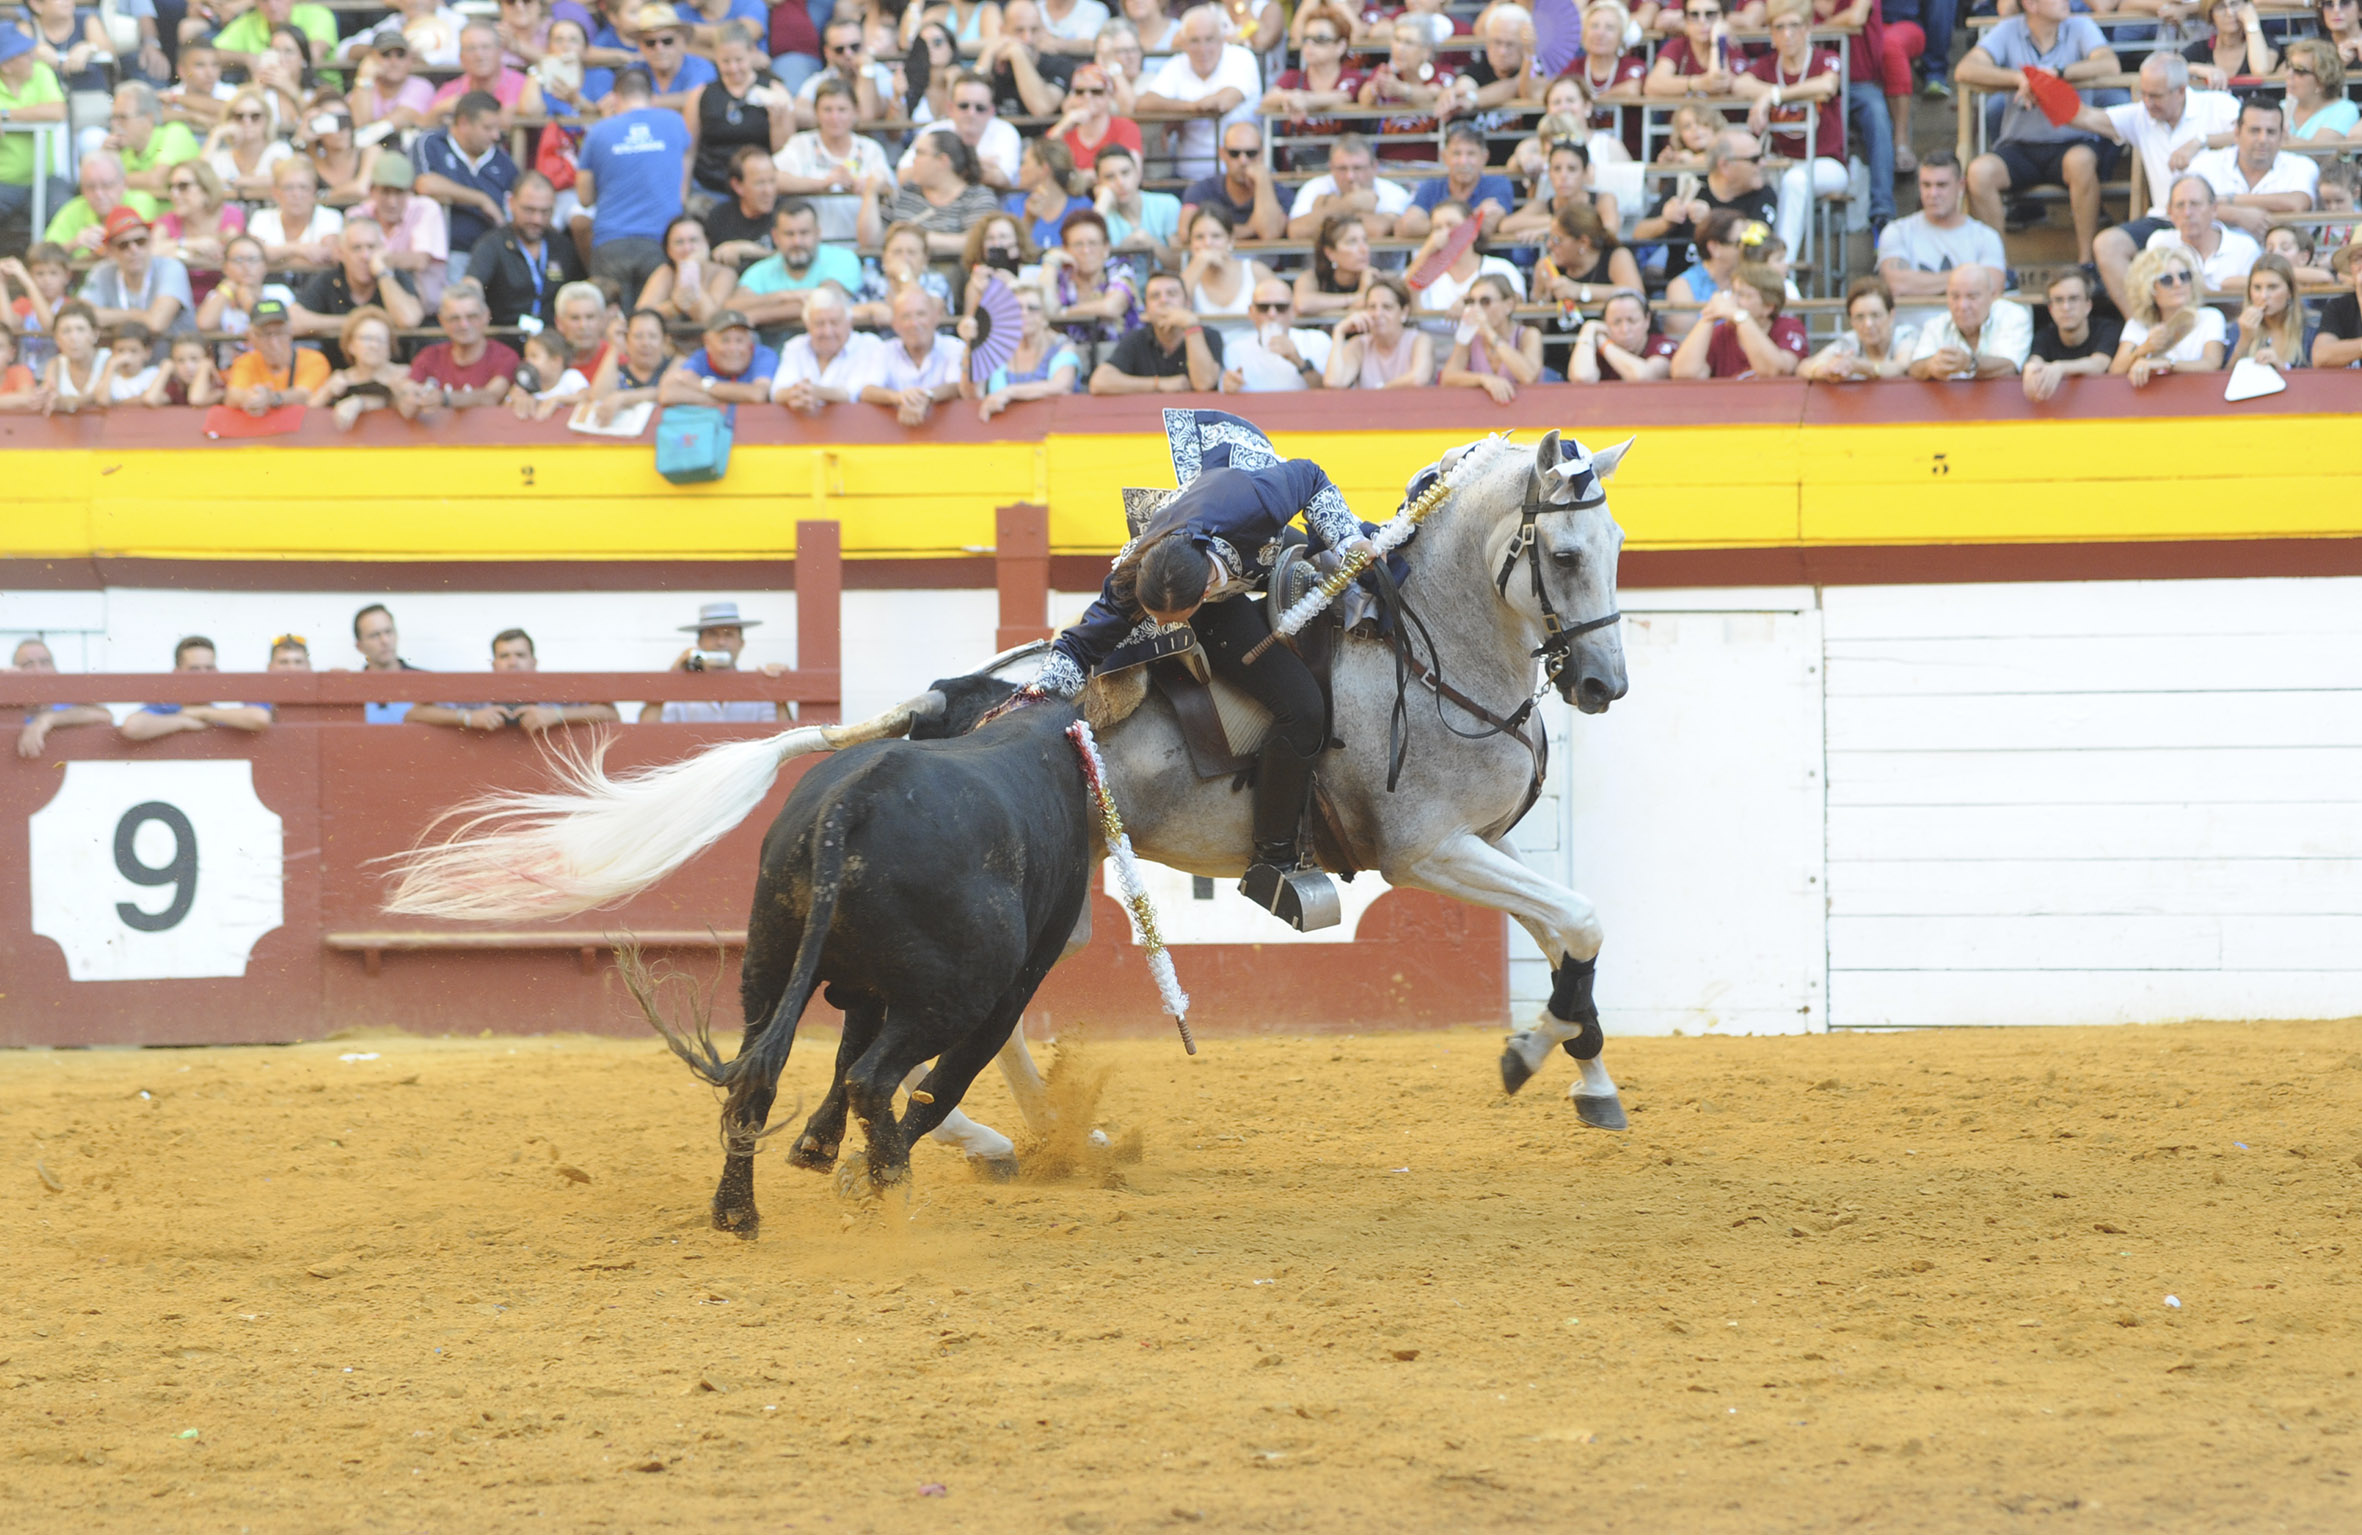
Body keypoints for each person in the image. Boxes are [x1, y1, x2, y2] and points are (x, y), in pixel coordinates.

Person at [1018, 422, 1375, 924]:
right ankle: (1272, 856)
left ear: (1204, 590)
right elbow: (1081, 644)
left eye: (1169, 620)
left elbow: (1311, 475)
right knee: (1302, 709)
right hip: (1218, 593)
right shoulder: (1135, 575)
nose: (1163, 628)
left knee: (1371, 558)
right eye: (1155, 618)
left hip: (1252, 543)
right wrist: (1037, 696)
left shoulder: (1251, 504)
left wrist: (1348, 536)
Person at [2065, 52, 2248, 308]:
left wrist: (2201, 141)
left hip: (2216, 216)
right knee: (2107, 244)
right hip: (2165, 218)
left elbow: (2253, 134)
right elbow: (2085, 118)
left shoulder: (2216, 105)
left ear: (2181, 91)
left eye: (2156, 96)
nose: (2148, 102)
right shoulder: (2141, 115)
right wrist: (2040, 84)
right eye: (2144, 94)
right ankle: (2143, 324)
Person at [1957, 0, 2120, 267]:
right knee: (1979, 172)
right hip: (2019, 145)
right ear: (2031, 4)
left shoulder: (2081, 25)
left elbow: (2109, 64)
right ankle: (1998, 267)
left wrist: (2057, 74)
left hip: (2072, 141)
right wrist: (2019, 78)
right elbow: (1965, 69)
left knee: (2081, 162)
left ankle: (2087, 264)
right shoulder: (2008, 29)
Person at [1735, 0, 1848, 261]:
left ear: (1808, 28)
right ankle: (1748, 264)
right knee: (1747, 175)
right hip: (1780, 162)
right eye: (1779, 27)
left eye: (1794, 26)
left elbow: (1827, 86)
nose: (1787, 34)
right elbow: (1740, 84)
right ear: (1771, 34)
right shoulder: (1767, 65)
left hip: (1826, 163)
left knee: (1795, 181)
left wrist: (1772, 96)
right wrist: (1774, 93)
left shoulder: (1825, 59)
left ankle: (1782, 266)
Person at [575, 68, 690, 300]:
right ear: (653, 98)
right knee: (654, 318)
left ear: (614, 98)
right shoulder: (675, 122)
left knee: (611, 317)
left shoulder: (599, 132)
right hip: (661, 240)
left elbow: (584, 197)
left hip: (612, 240)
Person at [1874, 152, 2006, 332]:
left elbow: (1994, 285)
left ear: (1961, 186)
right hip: (1910, 335)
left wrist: (1919, 284)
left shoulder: (1985, 236)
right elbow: (1896, 284)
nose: (1933, 194)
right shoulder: (1897, 231)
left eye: (1942, 185)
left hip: (1969, 335)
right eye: (1926, 185)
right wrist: (1969, 284)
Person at [1136, 4, 1262, 181]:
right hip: (1189, 177)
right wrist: (1190, 107)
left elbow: (1222, 103)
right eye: (1194, 41)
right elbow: (1145, 103)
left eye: (1209, 39)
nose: (1203, 49)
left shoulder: (1241, 57)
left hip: (1240, 177)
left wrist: (1177, 112)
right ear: (1183, 43)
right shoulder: (1177, 64)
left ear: (1222, 39)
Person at [412, 629, 621, 734]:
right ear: (494, 665)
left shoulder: (554, 691)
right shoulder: (478, 694)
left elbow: (610, 714)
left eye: (520, 655)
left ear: (534, 662)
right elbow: (415, 714)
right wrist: (469, 718)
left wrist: (556, 715)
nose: (513, 663)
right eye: (504, 656)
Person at [1631, 129, 1779, 276]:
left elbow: (1762, 235)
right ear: (1725, 165)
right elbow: (1638, 234)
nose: (1763, 164)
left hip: (1737, 283)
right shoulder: (1686, 185)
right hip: (1683, 284)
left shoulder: (1763, 193)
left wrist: (1712, 219)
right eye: (1755, 159)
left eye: (1763, 157)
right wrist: (1665, 222)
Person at [414, 90, 522, 284]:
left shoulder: (503, 162)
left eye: (497, 128)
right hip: (441, 253)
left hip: (492, 256)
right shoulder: (431, 143)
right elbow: (425, 183)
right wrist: (481, 200)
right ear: (463, 123)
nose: (496, 135)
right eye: (488, 128)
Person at [773, 79, 893, 247]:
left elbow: (890, 187)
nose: (835, 117)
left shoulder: (870, 148)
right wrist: (823, 183)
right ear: (816, 112)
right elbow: (773, 179)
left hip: (860, 249)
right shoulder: (800, 144)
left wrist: (869, 186)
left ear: (855, 112)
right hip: (809, 249)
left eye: (842, 110)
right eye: (827, 110)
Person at [461, 170, 584, 330]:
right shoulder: (492, 243)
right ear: (511, 203)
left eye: (545, 211)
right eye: (529, 210)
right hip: (504, 337)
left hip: (553, 339)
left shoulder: (563, 246)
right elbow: (472, 285)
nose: (537, 219)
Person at [291, 217, 426, 362]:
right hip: (339, 372)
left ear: (382, 250)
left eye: (371, 247)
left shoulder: (394, 277)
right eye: (356, 248)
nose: (365, 256)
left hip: (391, 370)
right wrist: (355, 321)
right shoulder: (329, 279)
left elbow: (409, 319)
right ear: (341, 253)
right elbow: (293, 321)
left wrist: (382, 273)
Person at [2186, 98, 2320, 241]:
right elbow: (2187, 208)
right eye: (2255, 131)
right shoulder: (2204, 163)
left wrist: (2228, 199)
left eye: (2271, 132)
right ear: (2237, 133)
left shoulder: (2302, 165)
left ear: (2282, 135)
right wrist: (2237, 215)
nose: (2263, 139)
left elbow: (2296, 204)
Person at [640, 599, 790, 723]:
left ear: (741, 643)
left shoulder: (758, 688)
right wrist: (672, 675)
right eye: (712, 635)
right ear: (699, 643)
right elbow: (647, 733)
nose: (721, 642)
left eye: (728, 635)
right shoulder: (681, 691)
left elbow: (780, 736)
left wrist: (778, 689)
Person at [730, 198, 863, 328]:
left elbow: (826, 301)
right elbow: (733, 305)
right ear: (775, 237)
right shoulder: (762, 269)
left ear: (818, 233)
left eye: (804, 233)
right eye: (789, 234)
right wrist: (784, 296)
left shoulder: (842, 258)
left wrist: (759, 315)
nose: (797, 242)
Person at [2110, 244, 2226, 387]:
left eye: (2184, 276)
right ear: (2148, 288)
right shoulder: (2137, 324)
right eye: (2167, 279)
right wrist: (2144, 349)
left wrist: (2166, 364)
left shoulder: (2210, 317)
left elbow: (2212, 363)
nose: (2178, 283)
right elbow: (2115, 371)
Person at [118, 636, 272, 743]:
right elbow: (133, 727)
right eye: (194, 669)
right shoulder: (167, 705)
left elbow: (260, 718)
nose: (203, 675)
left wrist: (203, 713)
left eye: (209, 668)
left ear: (217, 670)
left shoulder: (227, 699)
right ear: (177, 673)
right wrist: (183, 721)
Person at [1091, 267, 1220, 391]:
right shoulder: (1137, 339)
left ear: (1188, 303)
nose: (1164, 300)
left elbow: (1204, 384)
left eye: (1172, 294)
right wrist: (1159, 383)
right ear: (1146, 308)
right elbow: (1099, 382)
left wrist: (1191, 326)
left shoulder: (1209, 335)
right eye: (1155, 296)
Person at [1672, 261, 1806, 379]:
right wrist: (1709, 316)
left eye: (1744, 295)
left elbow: (1774, 371)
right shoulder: (1723, 332)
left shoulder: (1789, 327)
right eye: (1733, 293)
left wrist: (1741, 317)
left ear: (1768, 307)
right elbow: (1684, 373)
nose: (1734, 301)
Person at [971, 276, 1082, 415]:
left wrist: (1010, 392)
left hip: (1052, 424)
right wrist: (971, 343)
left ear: (1045, 316)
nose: (1024, 313)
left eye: (1032, 308)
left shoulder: (1061, 346)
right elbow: (974, 394)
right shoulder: (998, 350)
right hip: (1003, 425)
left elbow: (1062, 386)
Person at [1358, 13, 1459, 163]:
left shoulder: (1442, 72)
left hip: (1431, 166)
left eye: (1408, 42)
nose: (1400, 48)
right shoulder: (1386, 71)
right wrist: (1375, 88)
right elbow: (1363, 99)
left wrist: (1401, 90)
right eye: (1397, 40)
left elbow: (1435, 94)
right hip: (1385, 165)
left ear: (1427, 50)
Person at [81, 205, 196, 338]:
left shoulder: (171, 267)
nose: (134, 250)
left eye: (140, 241)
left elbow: (156, 324)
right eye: (124, 245)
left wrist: (110, 317)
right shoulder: (101, 271)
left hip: (172, 350)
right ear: (111, 250)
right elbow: (82, 316)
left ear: (151, 241)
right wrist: (138, 314)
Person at [856, 286, 965, 423]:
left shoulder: (955, 346)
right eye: (906, 316)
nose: (914, 323)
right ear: (895, 324)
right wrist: (898, 397)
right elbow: (867, 391)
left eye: (921, 314)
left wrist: (926, 396)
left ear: (936, 317)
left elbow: (957, 386)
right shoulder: (884, 349)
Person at [406, 280, 520, 410]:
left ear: (486, 316)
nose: (464, 325)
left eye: (472, 316)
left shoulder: (504, 356)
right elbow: (408, 392)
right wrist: (404, 394)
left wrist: (445, 399)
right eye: (454, 318)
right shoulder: (430, 355)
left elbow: (491, 396)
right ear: (442, 321)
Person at [883, 130, 1000, 254]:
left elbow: (975, 241)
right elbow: (875, 239)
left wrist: (916, 237)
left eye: (920, 153)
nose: (914, 160)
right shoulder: (905, 192)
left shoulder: (978, 197)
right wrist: (871, 193)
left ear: (942, 160)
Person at [2144, 173, 2263, 295]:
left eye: (2195, 204)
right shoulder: (2161, 243)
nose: (2187, 213)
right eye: (2180, 205)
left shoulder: (2245, 247)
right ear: (2170, 212)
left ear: (2214, 209)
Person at [902, 71, 1023, 190]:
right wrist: (977, 165)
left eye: (980, 108)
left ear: (991, 111)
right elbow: (903, 176)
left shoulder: (1005, 132)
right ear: (950, 108)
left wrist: (939, 166)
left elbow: (1003, 180)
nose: (971, 113)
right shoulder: (934, 130)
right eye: (963, 106)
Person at [1907, 264, 2031, 380]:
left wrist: (1970, 363)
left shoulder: (2013, 315)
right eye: (1955, 297)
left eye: (1972, 297)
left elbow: (2010, 366)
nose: (1962, 306)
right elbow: (1915, 367)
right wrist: (1930, 365)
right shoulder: (1936, 324)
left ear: (1992, 296)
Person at [1397, 125, 1517, 240]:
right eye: (1456, 153)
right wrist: (1472, 218)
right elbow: (1407, 226)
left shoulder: (1498, 184)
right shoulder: (1432, 186)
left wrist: (1437, 225)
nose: (1463, 161)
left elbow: (1486, 227)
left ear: (1484, 157)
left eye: (1471, 154)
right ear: (1445, 157)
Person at [1438, 272, 1541, 403]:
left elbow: (1528, 376)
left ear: (1509, 305)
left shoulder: (1528, 334)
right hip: (1484, 409)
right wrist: (1484, 379)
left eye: (1485, 301)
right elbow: (1447, 377)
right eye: (1471, 302)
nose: (1476, 308)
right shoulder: (1470, 335)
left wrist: (1489, 332)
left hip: (1527, 407)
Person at [2020, 266, 2119, 401]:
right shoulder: (2044, 335)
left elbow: (2099, 364)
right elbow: (2035, 361)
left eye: (2073, 299)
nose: (2066, 307)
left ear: (2088, 305)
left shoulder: (2107, 328)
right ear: (2050, 309)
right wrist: (2031, 368)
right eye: (2059, 300)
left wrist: (2060, 368)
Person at [770, 281, 873, 409]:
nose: (827, 332)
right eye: (819, 324)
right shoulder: (795, 346)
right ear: (807, 325)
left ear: (849, 323)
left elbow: (853, 393)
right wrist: (798, 393)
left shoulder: (868, 345)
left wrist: (815, 392)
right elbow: (777, 392)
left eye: (834, 323)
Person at [1285, 133, 1407, 240]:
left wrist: (1326, 208)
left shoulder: (1393, 191)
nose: (1350, 177)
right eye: (1342, 168)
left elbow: (1377, 230)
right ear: (1331, 168)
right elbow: (1296, 231)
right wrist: (1350, 203)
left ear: (1374, 167)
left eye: (1357, 168)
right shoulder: (1314, 186)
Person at [1216, 275, 1327, 392]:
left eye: (1281, 307)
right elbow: (1224, 391)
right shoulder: (1235, 349)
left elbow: (1328, 392)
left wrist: (1299, 362)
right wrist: (1229, 388)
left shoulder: (1317, 341)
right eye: (1263, 307)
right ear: (1251, 311)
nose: (1272, 314)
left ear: (1293, 310)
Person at [152, 159, 243, 301]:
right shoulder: (168, 221)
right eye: (170, 187)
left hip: (223, 299)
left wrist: (174, 252)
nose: (174, 193)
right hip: (178, 301)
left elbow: (228, 257)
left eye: (183, 186)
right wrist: (192, 244)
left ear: (206, 188)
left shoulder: (231, 215)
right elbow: (150, 252)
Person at [1501, 137, 1620, 246]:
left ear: (1585, 172)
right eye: (1557, 169)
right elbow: (1506, 226)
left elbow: (1609, 229)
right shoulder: (1543, 205)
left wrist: (1552, 230)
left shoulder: (1603, 200)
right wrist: (1555, 222)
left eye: (1572, 169)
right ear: (1549, 173)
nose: (1563, 176)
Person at [1178, 204, 1270, 345]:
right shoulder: (1188, 276)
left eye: (1216, 236)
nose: (1207, 243)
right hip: (1206, 354)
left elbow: (1283, 309)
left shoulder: (1255, 271)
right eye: (1199, 237)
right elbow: (1174, 308)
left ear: (1230, 240)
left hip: (1253, 351)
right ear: (1191, 243)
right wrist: (1198, 265)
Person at [1177, 119, 1283, 241]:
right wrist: (1248, 229)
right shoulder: (1201, 190)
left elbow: (1270, 233)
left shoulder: (1278, 192)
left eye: (1251, 153)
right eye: (1234, 153)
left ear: (1262, 154)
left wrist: (1263, 182)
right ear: (1222, 154)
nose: (1243, 161)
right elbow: (1186, 232)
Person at [310, 304, 412, 428]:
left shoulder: (404, 375)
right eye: (367, 338)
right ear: (351, 345)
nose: (374, 345)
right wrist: (327, 393)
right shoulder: (342, 378)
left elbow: (408, 406)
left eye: (381, 339)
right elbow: (309, 413)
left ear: (390, 347)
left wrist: (361, 402)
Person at [221, 296, 328, 412]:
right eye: (265, 334)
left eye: (280, 332)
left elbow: (304, 395)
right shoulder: (245, 361)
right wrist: (249, 398)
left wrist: (272, 398)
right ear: (251, 337)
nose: (273, 342)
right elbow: (233, 395)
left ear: (291, 332)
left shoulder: (313, 360)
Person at [1798, 275, 1915, 381]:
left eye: (1875, 315)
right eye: (1860, 317)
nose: (1868, 324)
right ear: (1851, 321)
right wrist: (1827, 370)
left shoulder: (1905, 335)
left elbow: (1901, 367)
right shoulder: (1850, 340)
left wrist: (1858, 366)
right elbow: (1804, 367)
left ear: (1891, 315)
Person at [13, 637, 112, 761]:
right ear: (14, 671)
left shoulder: (67, 703)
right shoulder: (8, 710)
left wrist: (47, 719)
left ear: (55, 669)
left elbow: (105, 715)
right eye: (28, 664)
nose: (38, 670)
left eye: (45, 662)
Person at [1323, 274, 1430, 389]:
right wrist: (1339, 332)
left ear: (1404, 312)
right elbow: (1333, 382)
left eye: (1387, 307)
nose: (1378, 314)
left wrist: (1379, 391)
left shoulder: (1419, 340)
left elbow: (1418, 379)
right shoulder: (1359, 344)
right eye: (1372, 307)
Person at [47, 151, 161, 254]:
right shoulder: (73, 209)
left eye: (106, 185)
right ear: (82, 189)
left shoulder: (141, 202)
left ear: (124, 183)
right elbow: (45, 255)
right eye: (90, 187)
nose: (99, 194)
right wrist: (74, 243)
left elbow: (133, 246)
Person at [976, 0, 1074, 116]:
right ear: (1002, 30)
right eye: (1019, 30)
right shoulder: (993, 63)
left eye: (1034, 30)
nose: (1028, 39)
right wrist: (987, 55)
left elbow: (1041, 108)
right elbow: (970, 102)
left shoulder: (1058, 65)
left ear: (1044, 30)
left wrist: (1018, 55)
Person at [107, 82, 202, 199]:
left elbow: (156, 180)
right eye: (114, 118)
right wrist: (106, 156)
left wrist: (110, 180)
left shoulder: (175, 132)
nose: (115, 124)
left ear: (148, 118)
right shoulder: (124, 152)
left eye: (123, 117)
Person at [585, 304, 676, 421]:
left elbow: (668, 391)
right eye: (638, 336)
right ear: (626, 339)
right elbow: (597, 399)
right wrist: (614, 348)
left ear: (665, 340)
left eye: (652, 336)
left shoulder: (676, 365)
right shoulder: (618, 373)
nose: (645, 343)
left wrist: (624, 398)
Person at [1054, 62, 1141, 179]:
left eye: (1096, 91)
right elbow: (1042, 167)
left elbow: (1133, 174)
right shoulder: (1064, 129)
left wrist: (1076, 178)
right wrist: (1062, 127)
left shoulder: (1126, 127)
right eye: (1079, 91)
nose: (1087, 96)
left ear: (1110, 95)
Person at [1572, 288, 1677, 381]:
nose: (1625, 329)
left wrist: (1605, 344)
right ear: (1605, 323)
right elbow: (1582, 377)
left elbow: (1642, 377)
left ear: (1647, 320)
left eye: (1632, 321)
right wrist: (1588, 329)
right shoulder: (1595, 349)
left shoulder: (1663, 345)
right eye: (1616, 322)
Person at [2227, 253, 2310, 370]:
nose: (2263, 296)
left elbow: (2317, 376)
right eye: (2257, 287)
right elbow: (2227, 376)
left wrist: (2283, 368)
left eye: (2272, 287)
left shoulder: (2309, 327)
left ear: (2290, 291)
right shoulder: (2239, 327)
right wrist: (2244, 340)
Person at [1003, 137, 1089, 250]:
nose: (1020, 170)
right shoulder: (1013, 206)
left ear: (1044, 168)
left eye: (1025, 163)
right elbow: (1009, 251)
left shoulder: (1082, 208)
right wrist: (1028, 220)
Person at [1092, 143, 1177, 252]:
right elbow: (1090, 253)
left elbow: (1179, 259)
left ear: (1137, 173)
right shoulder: (1101, 212)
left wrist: (1153, 245)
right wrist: (1103, 201)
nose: (1120, 182)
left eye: (1125, 173)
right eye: (1110, 177)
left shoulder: (1168, 204)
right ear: (1099, 183)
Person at [1645, 0, 1737, 99]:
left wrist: (1717, 41)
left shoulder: (1732, 47)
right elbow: (1652, 85)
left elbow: (1719, 83)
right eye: (1694, 15)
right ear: (1685, 20)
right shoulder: (1677, 46)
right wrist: (1698, 83)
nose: (1702, 21)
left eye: (1710, 14)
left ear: (1723, 18)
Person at [706, 144, 781, 263]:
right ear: (737, 186)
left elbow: (794, 258)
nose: (768, 191)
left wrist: (748, 250)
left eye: (772, 181)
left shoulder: (785, 213)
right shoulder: (720, 217)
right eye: (760, 183)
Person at [354, 602, 425, 723]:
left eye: (388, 632)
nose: (385, 640)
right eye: (374, 635)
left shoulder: (426, 681)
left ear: (397, 634)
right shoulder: (352, 687)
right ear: (359, 646)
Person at [2277, 40, 2358, 143]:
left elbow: (2320, 150)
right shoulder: (2282, 107)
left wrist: (2276, 137)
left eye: (2299, 70)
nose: (2289, 75)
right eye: (2289, 67)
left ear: (2322, 80)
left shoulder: (2344, 110)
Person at [2183, 0, 2275, 87]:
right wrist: (2197, 69)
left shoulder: (2266, 43)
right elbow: (2176, 65)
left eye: (2234, 4)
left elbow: (2260, 71)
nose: (2230, 12)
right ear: (2211, 14)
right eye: (2221, 7)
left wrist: (2251, 23)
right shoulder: (2202, 48)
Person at [145, 331, 222, 406]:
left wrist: (204, 368)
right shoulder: (176, 388)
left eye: (194, 359)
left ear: (208, 359)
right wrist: (166, 369)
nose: (188, 366)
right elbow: (150, 399)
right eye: (180, 360)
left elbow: (196, 400)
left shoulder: (217, 386)